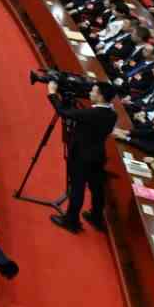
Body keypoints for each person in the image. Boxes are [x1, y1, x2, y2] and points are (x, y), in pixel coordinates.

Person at [50, 78, 119, 232]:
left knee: (77, 188)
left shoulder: (92, 113)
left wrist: (52, 93)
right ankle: (96, 217)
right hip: (98, 155)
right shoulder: (112, 114)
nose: (89, 93)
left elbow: (64, 112)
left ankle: (71, 221)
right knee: (96, 188)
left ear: (100, 96)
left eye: (93, 91)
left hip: (82, 156)